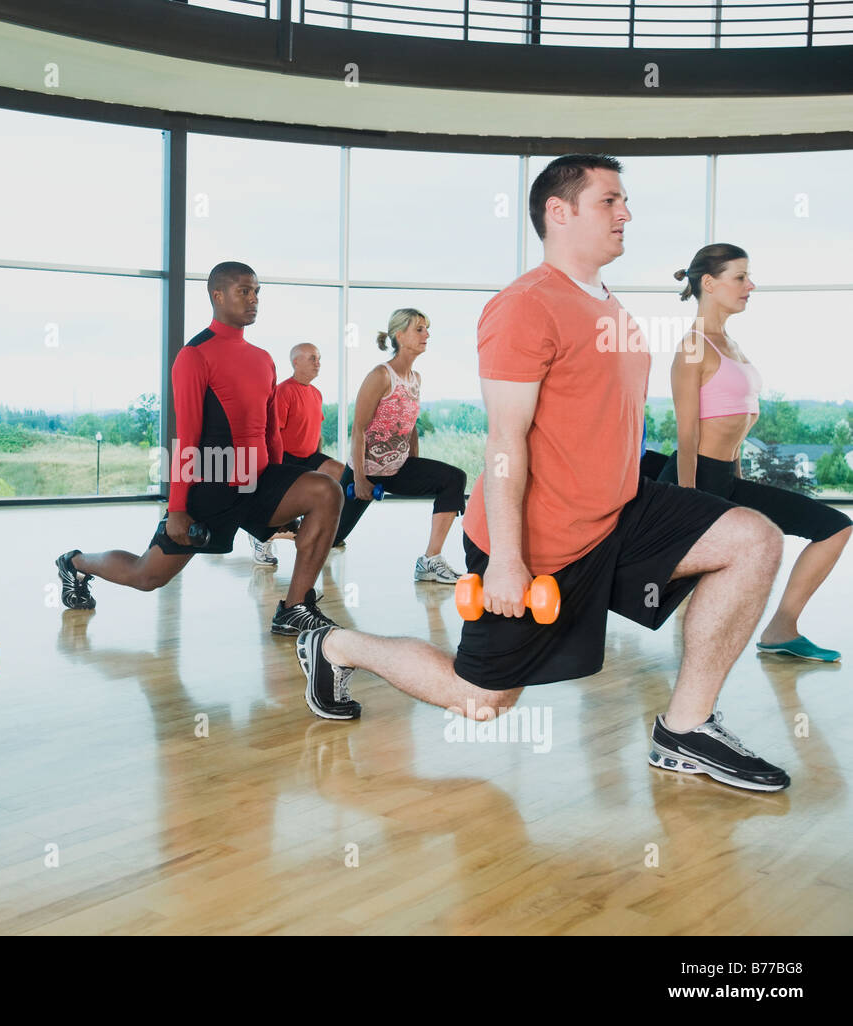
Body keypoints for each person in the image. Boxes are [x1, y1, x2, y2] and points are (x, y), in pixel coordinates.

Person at [295, 155, 793, 792]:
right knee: (482, 702)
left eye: (624, 202)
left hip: (618, 512)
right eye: (609, 201)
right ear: (559, 212)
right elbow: (504, 442)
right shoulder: (525, 306)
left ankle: (686, 731)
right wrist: (506, 557)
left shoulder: (610, 307)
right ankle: (338, 647)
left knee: (752, 539)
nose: (626, 214)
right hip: (539, 539)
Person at [57, 262, 349, 661]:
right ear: (217, 295)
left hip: (258, 479)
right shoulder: (195, 355)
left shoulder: (263, 358)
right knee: (148, 576)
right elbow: (186, 440)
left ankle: (294, 609)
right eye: (244, 291)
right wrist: (177, 510)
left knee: (326, 490)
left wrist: (282, 494)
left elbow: (270, 432)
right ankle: (76, 562)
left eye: (257, 292)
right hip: (209, 487)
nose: (254, 300)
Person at [658, 244, 850, 661]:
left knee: (834, 527)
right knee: (662, 574)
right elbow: (687, 434)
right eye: (740, 277)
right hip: (694, 480)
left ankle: (782, 629)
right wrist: (688, 502)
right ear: (709, 284)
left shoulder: (730, 343)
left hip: (726, 477)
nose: (751, 286)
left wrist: (740, 481)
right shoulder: (693, 347)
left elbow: (737, 425)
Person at [333, 308, 467, 584]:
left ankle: (430, 560)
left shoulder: (415, 379)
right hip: (367, 471)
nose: (426, 335)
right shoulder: (380, 376)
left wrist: (414, 462)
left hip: (399, 468)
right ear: (399, 334)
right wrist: (358, 478)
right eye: (419, 329)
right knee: (331, 537)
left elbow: (410, 423)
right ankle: (271, 532)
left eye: (426, 329)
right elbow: (358, 429)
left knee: (455, 478)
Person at [249, 342, 345, 566]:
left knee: (340, 473)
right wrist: (275, 468)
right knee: (284, 503)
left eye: (319, 358)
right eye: (312, 358)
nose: (318, 363)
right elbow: (273, 433)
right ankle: (261, 537)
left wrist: (319, 460)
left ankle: (322, 529)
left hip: (310, 456)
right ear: (296, 362)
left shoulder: (316, 394)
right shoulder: (284, 391)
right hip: (286, 458)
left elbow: (316, 432)